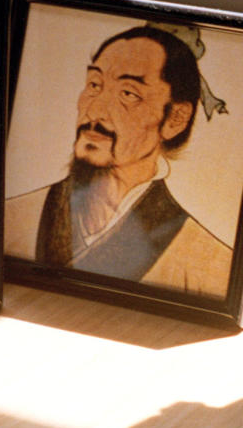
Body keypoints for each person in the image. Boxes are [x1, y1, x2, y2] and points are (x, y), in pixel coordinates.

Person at [33, 23, 232, 299]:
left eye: (128, 94)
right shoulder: (18, 216)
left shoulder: (208, 264)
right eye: (94, 85)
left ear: (175, 119)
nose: (95, 110)